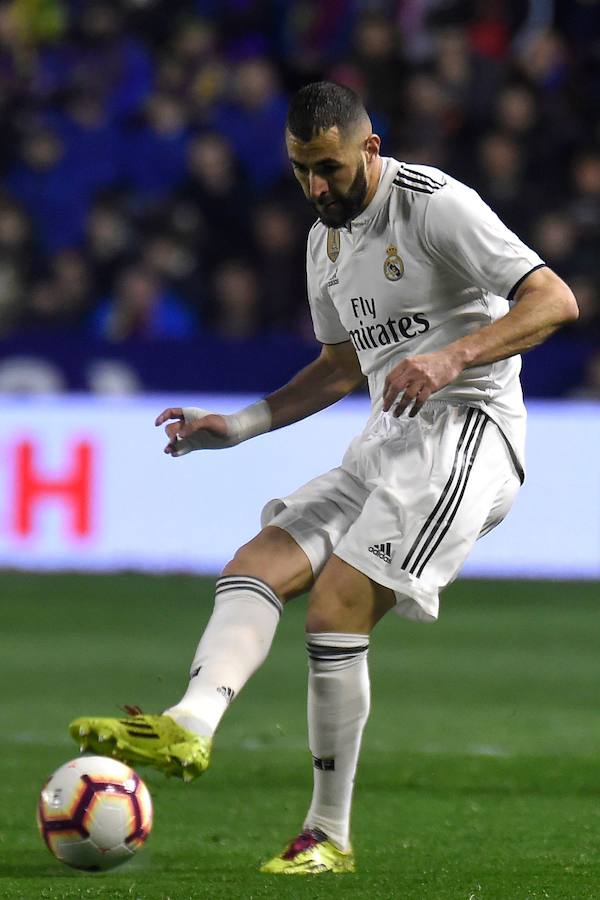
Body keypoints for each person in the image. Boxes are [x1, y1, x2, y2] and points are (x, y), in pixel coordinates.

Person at [70, 81, 578, 875]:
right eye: (302, 170)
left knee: (337, 602)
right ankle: (190, 724)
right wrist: (233, 427)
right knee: (257, 562)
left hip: (470, 434)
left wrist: (451, 357)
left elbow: (555, 300)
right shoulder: (324, 244)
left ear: (369, 150)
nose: (316, 187)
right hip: (387, 438)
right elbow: (339, 368)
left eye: (330, 169)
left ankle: (327, 836)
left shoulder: (434, 203)